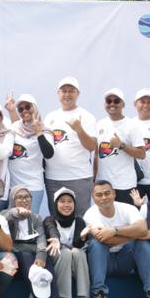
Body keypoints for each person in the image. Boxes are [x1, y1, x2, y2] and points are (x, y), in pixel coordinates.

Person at [83, 180, 150, 298]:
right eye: (99, 195)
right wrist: (136, 234)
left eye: (107, 193)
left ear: (114, 194)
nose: (104, 197)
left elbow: (142, 228)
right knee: (96, 244)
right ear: (93, 198)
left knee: (142, 243)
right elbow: (104, 239)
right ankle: (99, 294)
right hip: (103, 262)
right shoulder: (90, 214)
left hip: (125, 259)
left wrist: (114, 231)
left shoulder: (127, 208)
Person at [43, 77, 98, 214]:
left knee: (81, 218)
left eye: (71, 91)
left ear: (77, 94)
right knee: (57, 218)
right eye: (64, 91)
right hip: (53, 177)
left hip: (79, 177)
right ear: (58, 93)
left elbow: (91, 146)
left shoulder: (86, 116)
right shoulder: (50, 117)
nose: (67, 94)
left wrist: (79, 129)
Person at [95, 88, 146, 203]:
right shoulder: (99, 124)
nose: (112, 104)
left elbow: (142, 154)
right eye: (109, 101)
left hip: (125, 184)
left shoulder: (132, 125)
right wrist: (94, 178)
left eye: (116, 101)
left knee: (126, 220)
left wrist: (121, 146)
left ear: (123, 104)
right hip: (104, 185)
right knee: (105, 220)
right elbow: (95, 155)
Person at [4, 94, 53, 214]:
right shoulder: (15, 127)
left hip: (33, 186)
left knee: (31, 222)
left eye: (28, 107)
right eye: (20, 109)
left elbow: (48, 154)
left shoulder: (44, 129)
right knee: (14, 223)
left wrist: (38, 131)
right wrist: (11, 111)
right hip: (14, 186)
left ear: (35, 108)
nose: (24, 111)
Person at [42, 188, 91, 298]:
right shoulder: (50, 219)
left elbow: (77, 244)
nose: (66, 205)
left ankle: (83, 296)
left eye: (70, 201)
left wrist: (82, 237)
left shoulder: (79, 221)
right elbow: (52, 230)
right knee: (65, 252)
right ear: (56, 204)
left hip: (73, 258)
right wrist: (56, 239)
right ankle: (60, 296)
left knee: (78, 252)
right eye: (62, 201)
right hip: (56, 257)